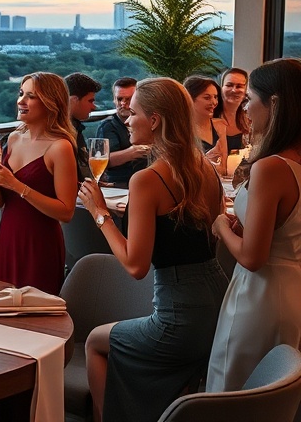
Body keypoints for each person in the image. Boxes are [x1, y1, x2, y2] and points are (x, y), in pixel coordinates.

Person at [78, 77, 228, 422]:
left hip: (179, 317)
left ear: (155, 120)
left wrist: (101, 214)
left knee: (96, 343)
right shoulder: (203, 166)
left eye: (133, 113)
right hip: (218, 304)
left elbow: (136, 266)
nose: (127, 120)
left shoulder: (147, 180)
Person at [207, 58, 301, 392]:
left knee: (234, 385)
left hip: (260, 295)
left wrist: (220, 225)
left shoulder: (272, 168)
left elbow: (252, 258)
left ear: (273, 103)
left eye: (250, 98)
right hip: (293, 291)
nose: (246, 107)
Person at [0, 72, 78, 295]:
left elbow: (66, 212)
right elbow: (1, 202)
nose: (21, 101)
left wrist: (17, 185)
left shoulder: (60, 147)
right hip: (8, 237)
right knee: (3, 310)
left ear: (50, 103)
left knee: (35, 316)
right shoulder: (14, 138)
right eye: (20, 94)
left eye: (30, 96)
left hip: (39, 244)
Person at [95, 77, 150, 187]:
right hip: (119, 185)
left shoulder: (148, 121)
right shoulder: (108, 126)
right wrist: (134, 151)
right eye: (119, 99)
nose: (123, 104)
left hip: (147, 181)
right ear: (114, 100)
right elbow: (103, 160)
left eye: (128, 99)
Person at [184, 75, 228, 176]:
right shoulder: (181, 128)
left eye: (215, 97)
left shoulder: (219, 127)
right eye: (207, 98)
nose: (214, 102)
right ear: (190, 99)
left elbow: (223, 169)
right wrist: (206, 162)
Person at [65, 72, 102, 182]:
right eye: (90, 101)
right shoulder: (61, 132)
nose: (93, 107)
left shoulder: (76, 127)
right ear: (73, 100)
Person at [215, 67, 251, 153]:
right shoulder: (211, 115)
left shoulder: (250, 118)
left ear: (245, 90)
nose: (234, 90)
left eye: (239, 86)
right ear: (221, 88)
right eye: (229, 85)